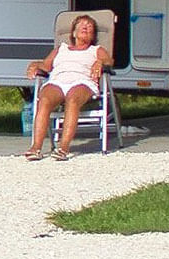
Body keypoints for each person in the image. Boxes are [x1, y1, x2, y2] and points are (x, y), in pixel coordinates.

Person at [22, 14, 113, 161]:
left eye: (89, 26)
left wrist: (100, 63)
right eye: (82, 24)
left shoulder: (96, 50)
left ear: (93, 34)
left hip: (82, 82)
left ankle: (63, 148)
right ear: (74, 33)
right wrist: (35, 64)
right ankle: (36, 148)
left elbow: (109, 60)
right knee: (43, 100)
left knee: (72, 98)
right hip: (58, 81)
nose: (85, 27)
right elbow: (46, 66)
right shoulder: (60, 49)